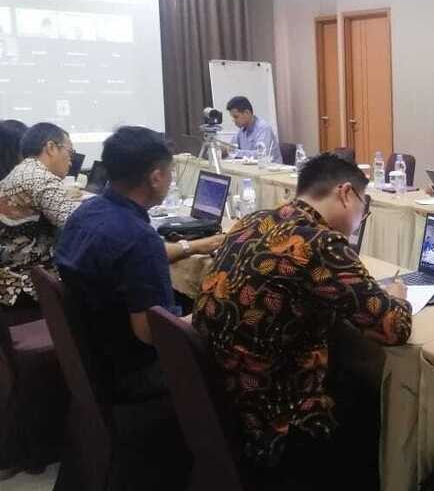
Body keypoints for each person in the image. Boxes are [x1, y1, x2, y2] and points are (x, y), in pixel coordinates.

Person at [193, 153, 412, 490]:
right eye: (363, 207)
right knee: (378, 397)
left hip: (228, 394)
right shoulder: (319, 242)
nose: (360, 218)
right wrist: (398, 296)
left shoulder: (256, 220)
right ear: (346, 194)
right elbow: (393, 328)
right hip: (281, 418)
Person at [55, 125, 196, 488]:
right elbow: (152, 334)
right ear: (156, 177)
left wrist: (195, 246)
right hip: (133, 372)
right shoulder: (139, 240)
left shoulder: (86, 214)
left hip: (96, 353)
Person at [0, 123, 81, 323]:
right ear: (51, 148)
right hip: (24, 284)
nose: (71, 160)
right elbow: (79, 226)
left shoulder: (23, 170)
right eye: (70, 152)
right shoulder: (41, 179)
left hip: (9, 275)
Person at [226, 95, 281, 164]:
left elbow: (260, 155)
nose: (233, 120)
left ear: (247, 113)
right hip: (251, 168)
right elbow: (231, 148)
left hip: (271, 168)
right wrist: (224, 150)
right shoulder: (241, 130)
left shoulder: (264, 128)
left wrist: (234, 152)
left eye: (236, 117)